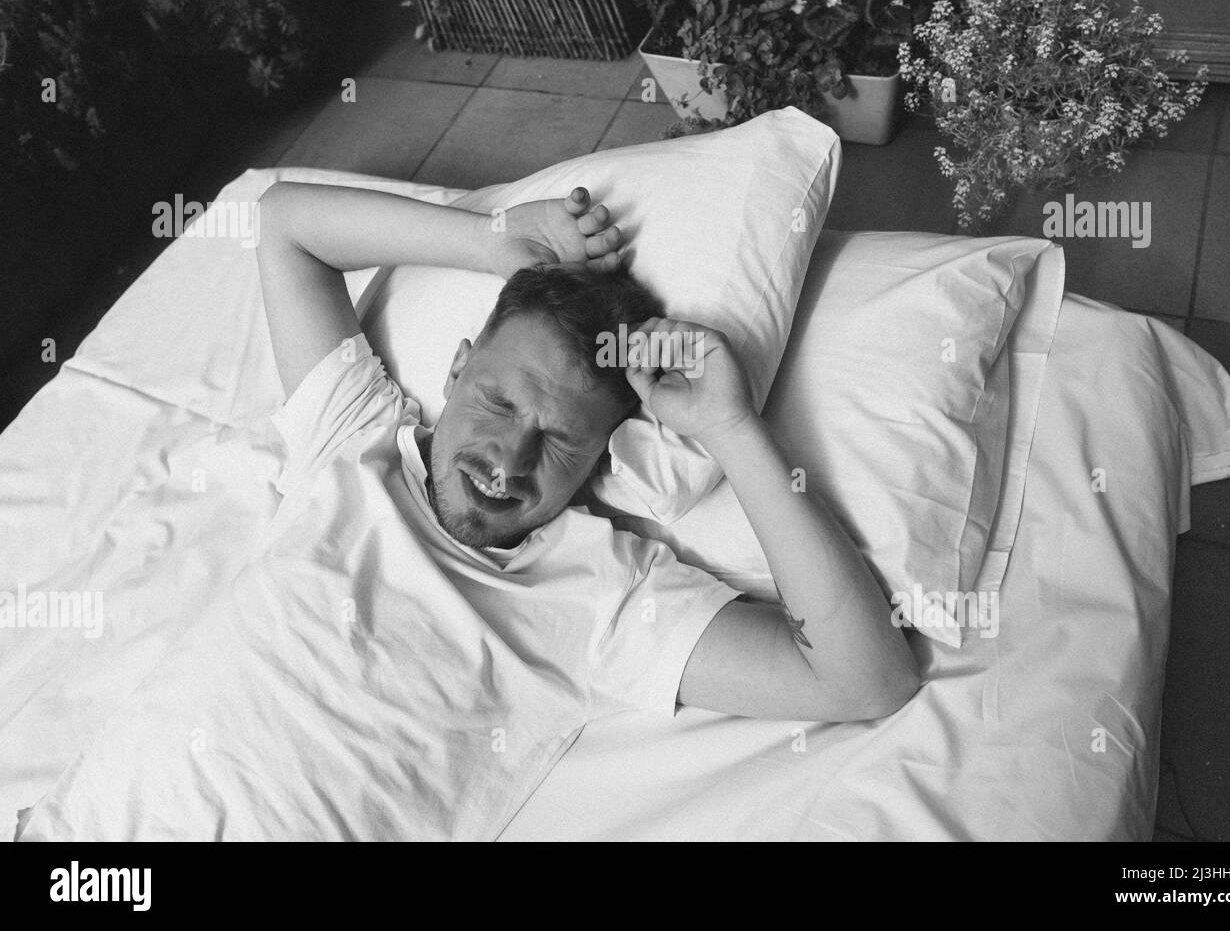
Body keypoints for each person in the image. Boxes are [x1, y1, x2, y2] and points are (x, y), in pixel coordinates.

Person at [252, 179, 919, 837]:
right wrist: (493, 242)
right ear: (456, 371)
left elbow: (866, 681)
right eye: (499, 404)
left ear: (601, 458)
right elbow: (287, 223)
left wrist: (731, 428)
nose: (509, 460)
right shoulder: (354, 437)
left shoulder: (599, 590)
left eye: (561, 440)